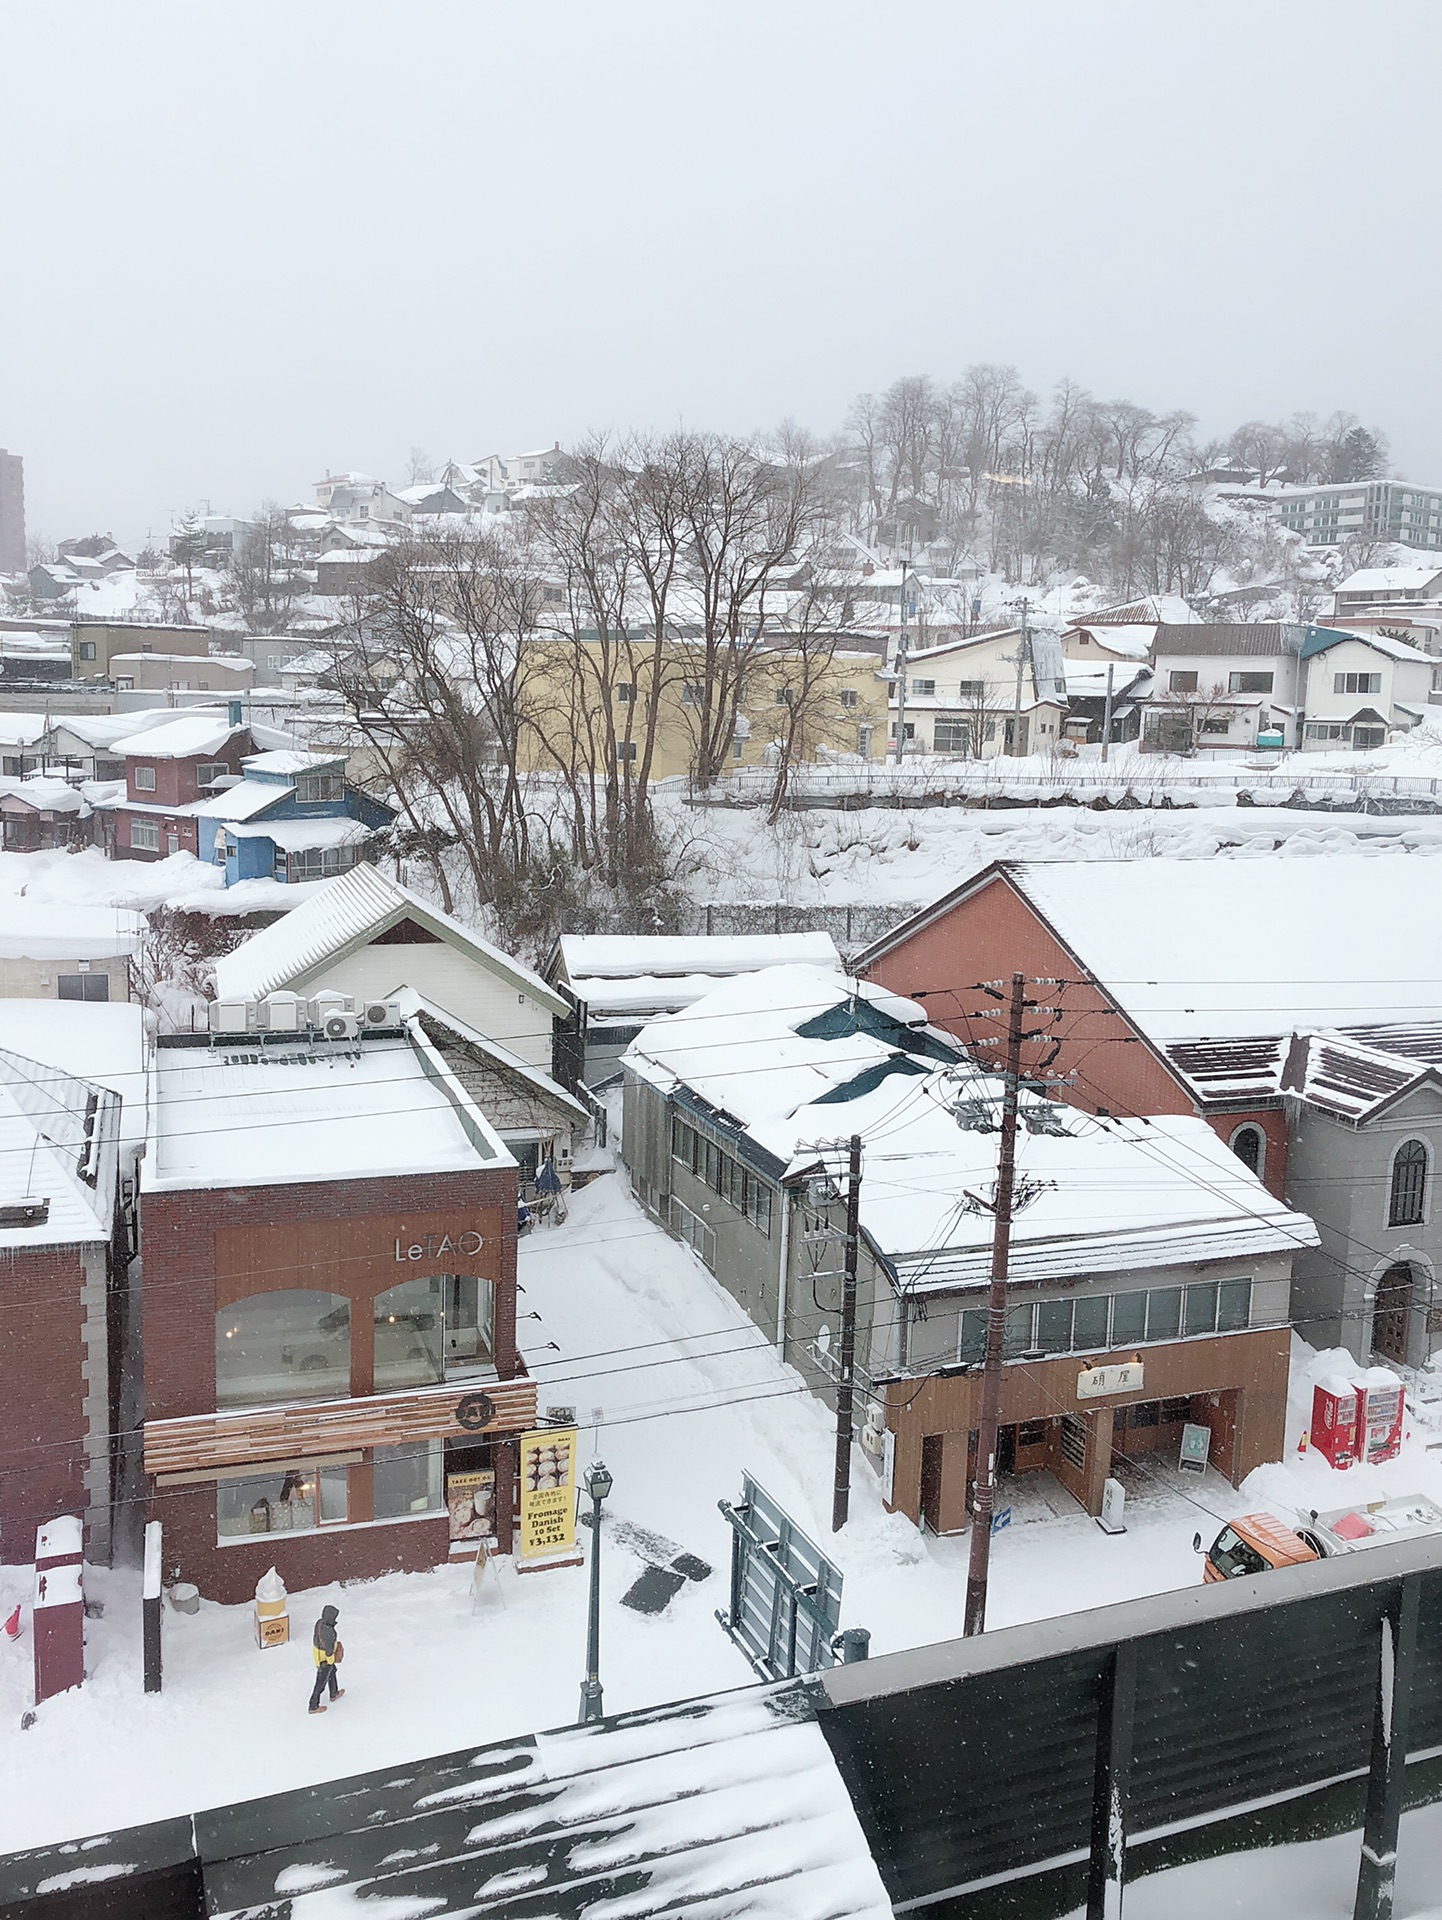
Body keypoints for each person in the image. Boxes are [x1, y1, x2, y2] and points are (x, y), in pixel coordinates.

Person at [307, 1603, 345, 1714]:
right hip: (325, 1660)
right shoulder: (329, 1632)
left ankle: (334, 1693)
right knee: (320, 1683)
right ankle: (313, 1706)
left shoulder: (320, 1623)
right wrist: (331, 1660)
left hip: (318, 1656)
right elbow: (329, 1652)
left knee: (332, 1672)